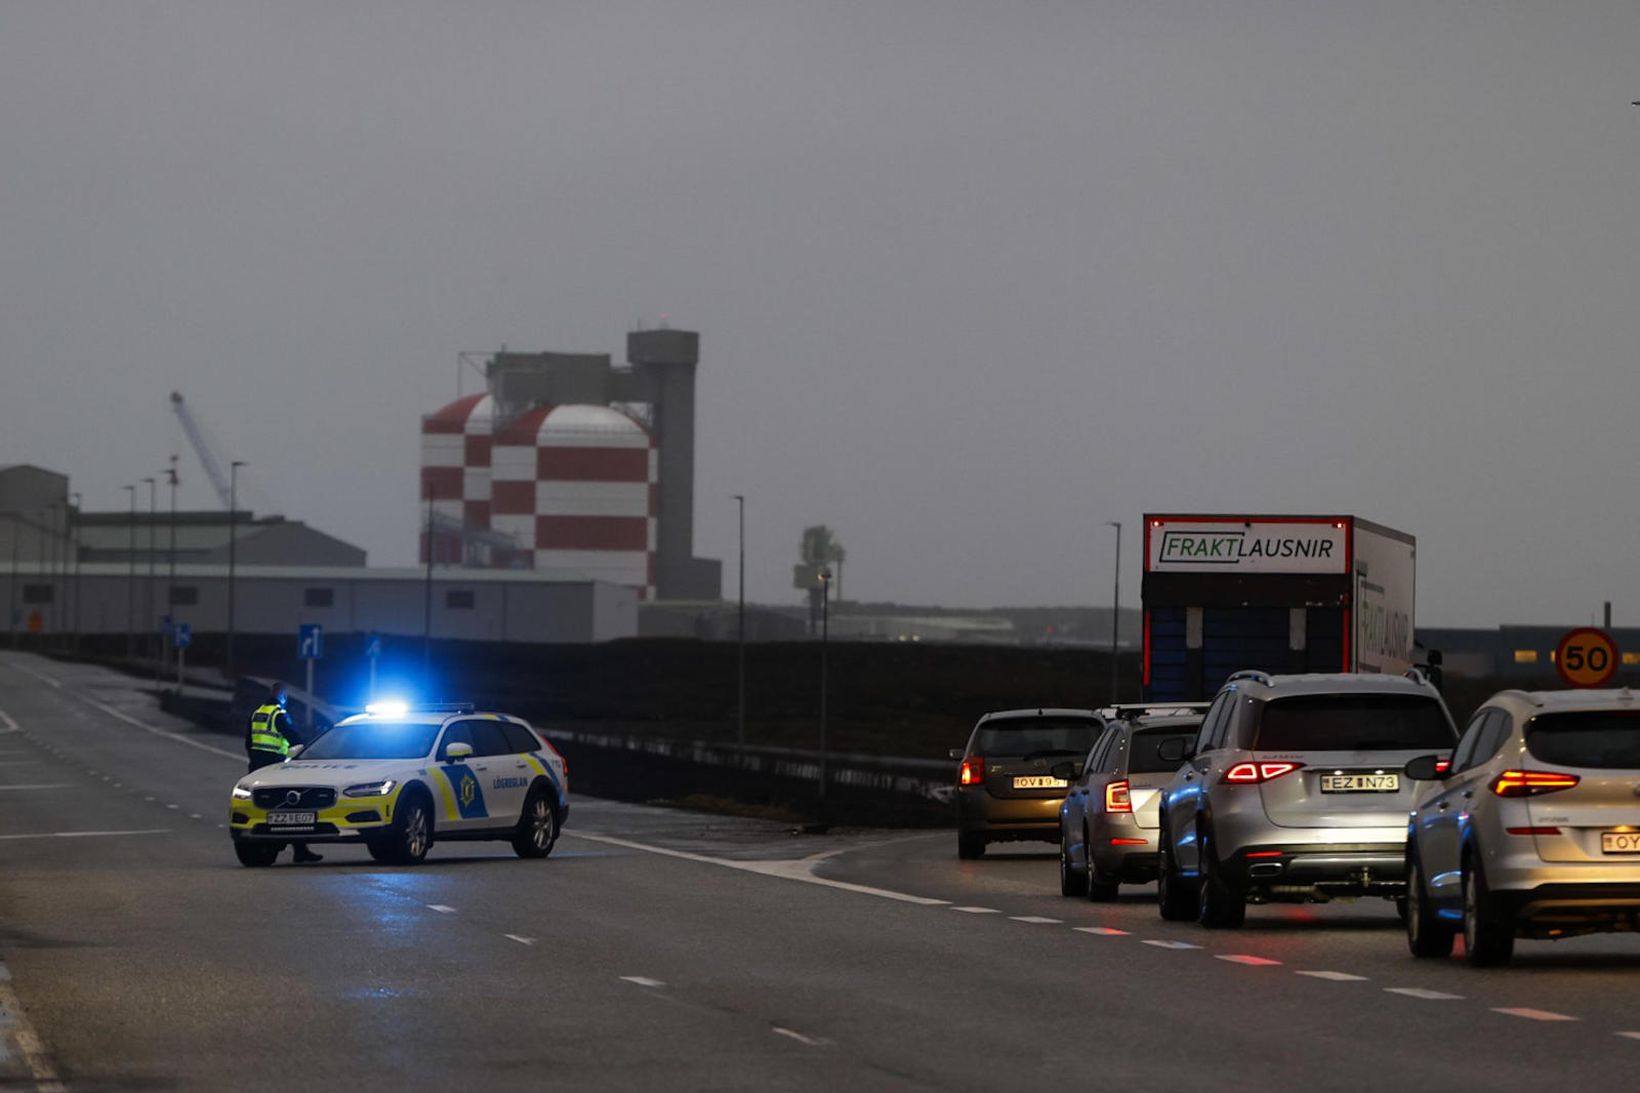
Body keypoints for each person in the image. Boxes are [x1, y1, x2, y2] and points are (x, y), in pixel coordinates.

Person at [245, 682, 322, 864]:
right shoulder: (279, 714)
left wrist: (255, 760)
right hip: (276, 767)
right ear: (283, 696)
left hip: (256, 767)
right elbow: (293, 738)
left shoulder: (257, 713)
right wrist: (303, 755)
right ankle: (299, 850)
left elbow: (248, 742)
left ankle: (274, 846)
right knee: (292, 808)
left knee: (262, 808)